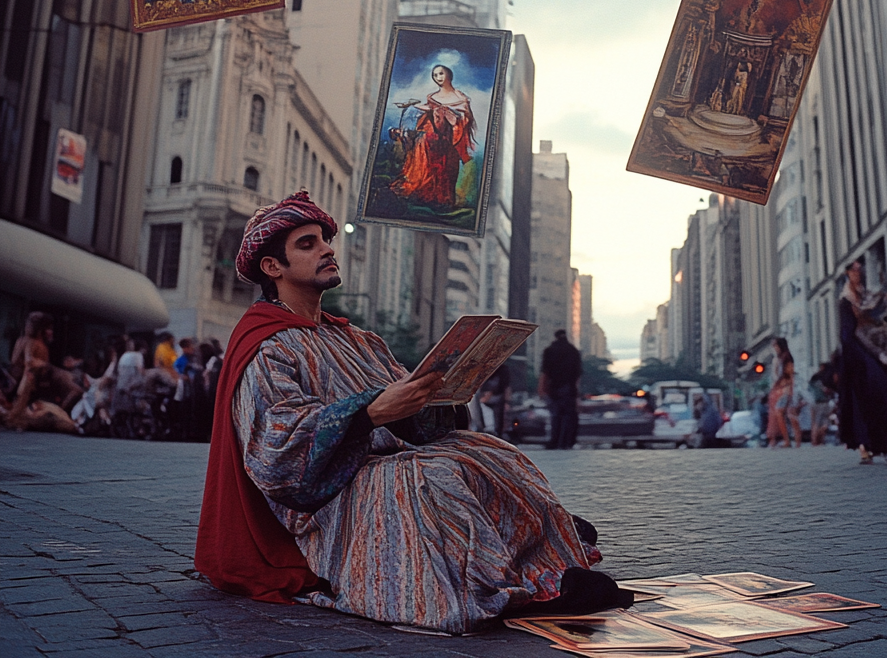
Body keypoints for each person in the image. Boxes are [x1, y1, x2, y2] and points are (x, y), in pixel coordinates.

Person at [195, 191, 625, 634]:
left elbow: (414, 412)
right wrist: (369, 413)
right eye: (307, 244)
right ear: (273, 267)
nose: (327, 248)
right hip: (330, 491)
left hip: (390, 457)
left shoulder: (360, 340)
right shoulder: (267, 345)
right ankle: (514, 586)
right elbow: (275, 449)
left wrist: (444, 395)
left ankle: (544, 556)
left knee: (491, 452)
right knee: (427, 478)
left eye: (326, 239)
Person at [836, 261, 887, 463]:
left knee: (881, 396)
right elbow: (848, 334)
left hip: (870, 352)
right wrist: (863, 356)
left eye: (860, 270)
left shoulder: (865, 296)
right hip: (856, 357)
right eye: (854, 270)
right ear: (847, 274)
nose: (858, 273)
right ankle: (868, 446)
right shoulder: (846, 301)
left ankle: (885, 446)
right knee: (864, 399)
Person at [391, 65, 475, 210]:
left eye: (441, 74)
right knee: (422, 141)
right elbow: (428, 109)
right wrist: (411, 106)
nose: (438, 78)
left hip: (447, 138)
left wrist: (449, 115)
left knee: (430, 144)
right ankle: (422, 191)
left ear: (449, 75)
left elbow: (465, 118)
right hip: (431, 136)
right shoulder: (433, 97)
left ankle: (440, 199)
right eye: (435, 75)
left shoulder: (460, 97)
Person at [538, 330, 582, 450]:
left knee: (556, 415)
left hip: (554, 387)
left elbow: (545, 372)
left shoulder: (549, 350)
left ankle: (555, 441)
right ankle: (567, 441)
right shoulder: (573, 351)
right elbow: (578, 374)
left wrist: (542, 389)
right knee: (569, 416)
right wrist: (576, 391)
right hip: (569, 388)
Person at [766, 337, 794, 447]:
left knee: (781, 413)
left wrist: (789, 388)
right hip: (780, 388)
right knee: (780, 414)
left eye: (776, 346)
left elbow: (789, 374)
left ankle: (788, 439)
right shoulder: (780, 358)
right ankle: (785, 439)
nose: (775, 348)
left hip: (784, 389)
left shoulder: (786, 357)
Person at [808, 358, 837, 446]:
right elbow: (827, 390)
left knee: (816, 422)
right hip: (823, 402)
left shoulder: (814, 378)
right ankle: (819, 440)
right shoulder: (824, 378)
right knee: (824, 422)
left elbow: (809, 389)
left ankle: (815, 441)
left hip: (814, 401)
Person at [479, 361, 511, 439]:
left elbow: (506, 387)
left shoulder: (503, 370)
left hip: (498, 398)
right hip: (484, 399)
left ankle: (498, 434)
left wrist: (507, 402)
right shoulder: (483, 369)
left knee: (499, 418)